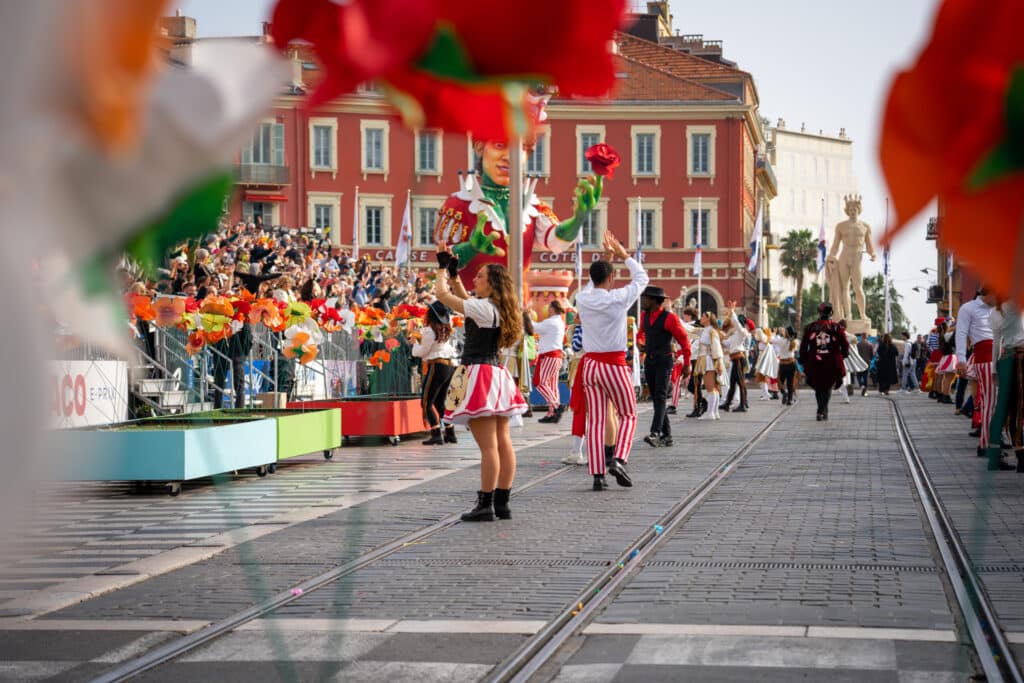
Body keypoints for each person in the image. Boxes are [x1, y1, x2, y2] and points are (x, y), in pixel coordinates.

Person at [434, 247, 527, 521]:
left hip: (479, 373)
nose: (475, 279)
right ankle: (502, 501)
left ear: (492, 283)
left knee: (488, 446)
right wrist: (455, 276)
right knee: (502, 442)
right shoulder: (495, 308)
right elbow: (465, 299)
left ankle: (485, 503)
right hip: (496, 373)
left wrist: (441, 270)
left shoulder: (483, 308)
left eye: (480, 277)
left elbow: (443, 296)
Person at [438, 138, 599, 291]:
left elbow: (555, 241)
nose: (509, 157)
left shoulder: (533, 205)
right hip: (473, 307)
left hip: (517, 308)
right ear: (480, 147)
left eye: (519, 148)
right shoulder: (459, 204)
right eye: (500, 145)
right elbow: (444, 260)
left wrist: (579, 219)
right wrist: (471, 248)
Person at [575, 232, 648, 490]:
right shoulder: (618, 297)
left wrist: (606, 257)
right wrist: (623, 254)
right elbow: (642, 278)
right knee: (628, 413)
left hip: (590, 366)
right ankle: (619, 458)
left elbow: (590, 285)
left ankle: (598, 476)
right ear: (611, 278)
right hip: (614, 365)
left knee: (595, 421)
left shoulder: (582, 298)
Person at [637, 286, 692, 447]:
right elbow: (640, 333)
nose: (643, 300)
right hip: (650, 361)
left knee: (660, 397)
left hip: (664, 361)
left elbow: (684, 341)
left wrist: (687, 363)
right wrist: (640, 343)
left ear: (654, 300)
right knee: (657, 399)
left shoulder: (670, 318)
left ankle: (655, 433)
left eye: (645, 298)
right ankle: (667, 436)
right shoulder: (644, 316)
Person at [956, 287, 998, 457]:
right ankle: (986, 445)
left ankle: (989, 442)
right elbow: (961, 333)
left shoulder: (997, 309)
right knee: (991, 402)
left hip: (998, 355)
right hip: (985, 356)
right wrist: (961, 359)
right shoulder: (968, 308)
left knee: (994, 403)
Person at [412, 301, 459, 445]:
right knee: (439, 401)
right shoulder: (446, 327)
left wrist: (414, 342)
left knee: (426, 401)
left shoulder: (429, 330)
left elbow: (422, 351)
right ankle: (450, 433)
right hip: (449, 365)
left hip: (437, 365)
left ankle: (436, 433)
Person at [799, 302, 850, 420]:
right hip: (831, 363)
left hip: (815, 362)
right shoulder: (837, 328)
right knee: (827, 387)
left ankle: (821, 409)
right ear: (831, 313)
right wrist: (843, 356)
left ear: (819, 312)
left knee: (818, 386)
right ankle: (822, 409)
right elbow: (845, 345)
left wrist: (803, 359)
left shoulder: (810, 327)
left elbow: (803, 346)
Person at [533, 299, 567, 423]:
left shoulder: (551, 322)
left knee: (539, 382)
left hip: (549, 356)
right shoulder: (559, 322)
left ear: (552, 309)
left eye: (549, 308)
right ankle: (552, 413)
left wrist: (525, 317)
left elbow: (534, 327)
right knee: (552, 386)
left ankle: (556, 406)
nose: (547, 310)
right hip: (555, 356)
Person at [720, 302, 751, 413]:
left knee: (740, 382)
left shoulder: (742, 332)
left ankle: (743, 404)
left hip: (738, 359)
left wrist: (732, 311)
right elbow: (726, 343)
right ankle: (727, 403)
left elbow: (736, 324)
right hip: (735, 359)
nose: (733, 325)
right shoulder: (735, 334)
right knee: (733, 382)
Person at [695, 310, 725, 420]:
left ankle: (710, 413)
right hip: (707, 359)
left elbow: (716, 347)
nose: (701, 318)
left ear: (708, 318)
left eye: (702, 316)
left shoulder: (711, 331)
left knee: (710, 388)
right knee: (714, 388)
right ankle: (714, 412)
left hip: (709, 360)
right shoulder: (706, 330)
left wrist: (718, 362)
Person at [775, 327, 798, 405]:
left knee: (780, 382)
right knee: (790, 382)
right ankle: (790, 399)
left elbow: (770, 339)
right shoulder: (794, 342)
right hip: (791, 363)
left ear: (786, 333)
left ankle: (784, 393)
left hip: (783, 364)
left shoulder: (781, 340)